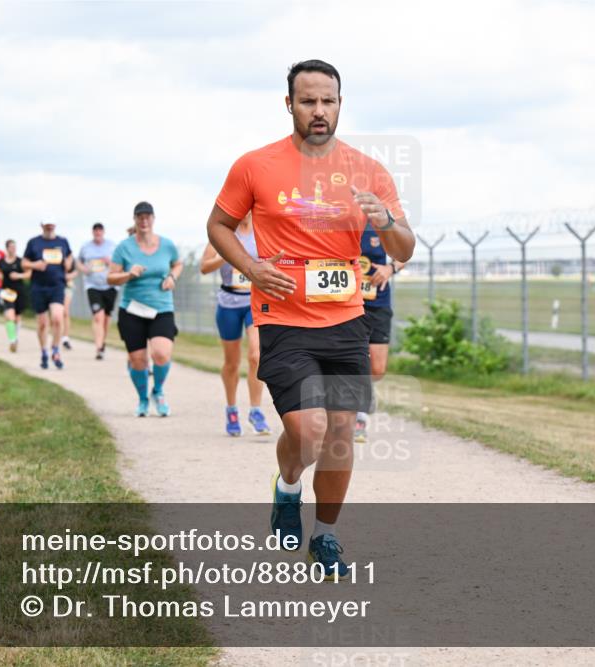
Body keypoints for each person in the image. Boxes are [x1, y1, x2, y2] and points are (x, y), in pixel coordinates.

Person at [206, 60, 415, 577]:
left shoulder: (369, 171)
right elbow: (219, 225)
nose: (319, 111)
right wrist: (251, 266)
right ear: (289, 105)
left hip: (346, 319)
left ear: (341, 104)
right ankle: (288, 487)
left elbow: (404, 247)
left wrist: (387, 220)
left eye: (328, 101)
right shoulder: (255, 165)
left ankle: (324, 536)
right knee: (308, 430)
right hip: (283, 319)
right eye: (308, 101)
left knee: (340, 432)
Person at [199, 212, 273, 437]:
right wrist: (226, 254)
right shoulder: (223, 232)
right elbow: (204, 267)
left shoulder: (262, 232)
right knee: (232, 363)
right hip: (228, 303)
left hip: (254, 300)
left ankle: (256, 410)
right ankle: (231, 409)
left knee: (256, 356)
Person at [108, 201, 183, 417]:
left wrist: (172, 277)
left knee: (161, 353)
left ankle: (158, 391)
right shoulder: (124, 247)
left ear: (153, 219)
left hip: (161, 308)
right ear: (134, 220)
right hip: (132, 310)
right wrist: (128, 274)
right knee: (138, 360)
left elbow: (178, 264)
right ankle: (142, 399)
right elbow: (111, 278)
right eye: (139, 217)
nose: (144, 221)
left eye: (147, 217)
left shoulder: (167, 245)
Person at [353, 223, 406, 442]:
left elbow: (405, 252)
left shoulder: (382, 222)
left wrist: (390, 268)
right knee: (355, 360)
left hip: (378, 303)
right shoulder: (341, 220)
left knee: (377, 368)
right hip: (348, 303)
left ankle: (368, 389)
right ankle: (360, 417)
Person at [22, 218, 73, 369]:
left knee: (57, 317)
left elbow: (70, 256)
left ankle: (55, 350)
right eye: (47, 224)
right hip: (38, 286)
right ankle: (44, 351)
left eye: (52, 224)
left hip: (57, 285)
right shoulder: (34, 242)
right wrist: (34, 265)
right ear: (42, 225)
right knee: (42, 323)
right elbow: (23, 263)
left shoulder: (63, 241)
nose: (50, 227)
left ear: (55, 225)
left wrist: (68, 263)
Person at [78, 222, 117, 360]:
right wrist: (84, 269)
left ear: (103, 232)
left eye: (100, 230)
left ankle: (103, 341)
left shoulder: (112, 246)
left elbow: (119, 264)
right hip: (92, 285)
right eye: (95, 231)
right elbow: (79, 262)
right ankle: (99, 348)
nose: (98, 233)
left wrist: (109, 262)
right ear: (93, 232)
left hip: (110, 285)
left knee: (106, 318)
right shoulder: (86, 247)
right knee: (98, 316)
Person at [0, 239, 30, 353]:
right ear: (7, 248)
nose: (13, 249)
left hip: (19, 292)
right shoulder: (1, 262)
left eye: (14, 247)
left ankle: (15, 337)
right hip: (7, 292)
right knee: (9, 316)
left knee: (17, 317)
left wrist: (19, 275)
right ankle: (12, 340)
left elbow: (29, 274)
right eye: (11, 247)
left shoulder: (20, 261)